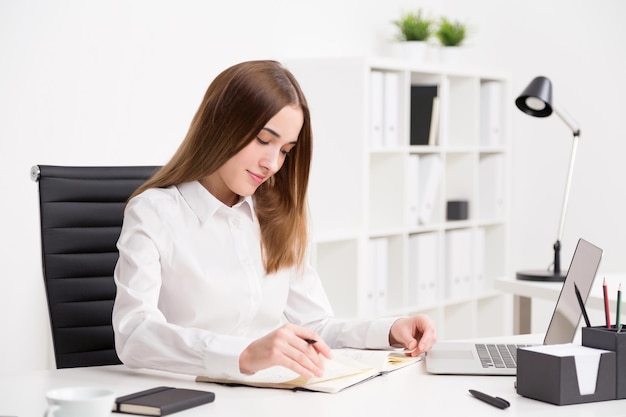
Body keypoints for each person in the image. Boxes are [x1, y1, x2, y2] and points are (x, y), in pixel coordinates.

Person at [112, 60, 436, 380]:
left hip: (271, 397)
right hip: (191, 397)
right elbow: (134, 333)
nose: (272, 164)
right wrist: (243, 354)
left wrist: (390, 331)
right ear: (221, 124)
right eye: (264, 140)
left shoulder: (278, 214)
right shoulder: (154, 212)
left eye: (285, 150)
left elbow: (316, 328)